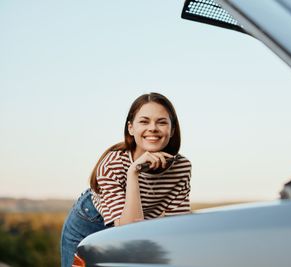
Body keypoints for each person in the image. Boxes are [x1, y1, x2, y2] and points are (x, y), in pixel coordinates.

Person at [60, 92, 192, 267]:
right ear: (131, 128)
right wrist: (133, 172)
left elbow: (177, 226)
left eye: (161, 122)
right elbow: (128, 231)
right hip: (91, 225)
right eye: (144, 121)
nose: (153, 128)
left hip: (137, 226)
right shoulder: (112, 164)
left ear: (172, 129)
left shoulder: (181, 167)